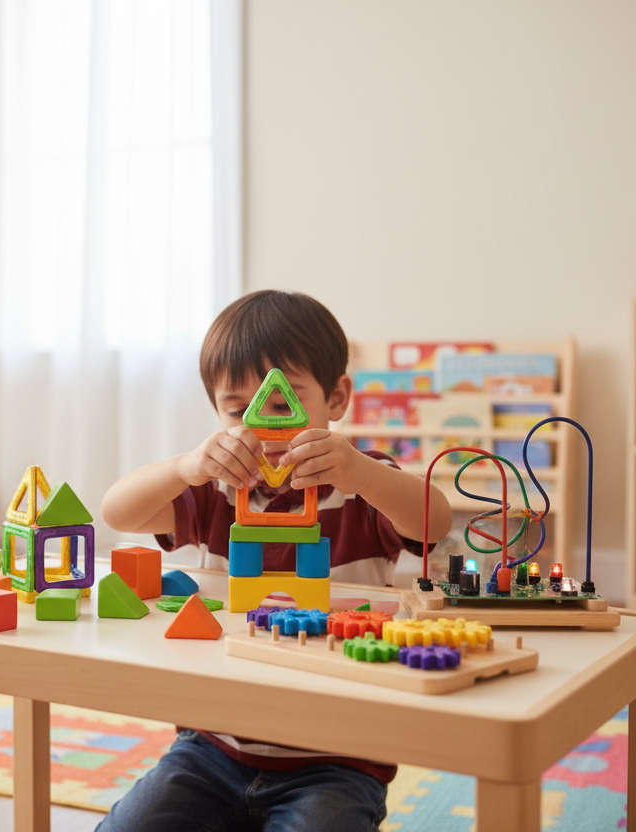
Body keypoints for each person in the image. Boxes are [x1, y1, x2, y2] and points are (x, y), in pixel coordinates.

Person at [98, 289, 453, 832]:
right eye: (239, 410)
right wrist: (187, 466)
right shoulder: (217, 490)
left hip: (338, 757)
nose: (266, 427)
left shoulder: (361, 484)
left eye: (284, 403)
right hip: (211, 746)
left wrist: (361, 474)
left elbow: (435, 522)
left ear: (336, 400)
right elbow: (117, 511)